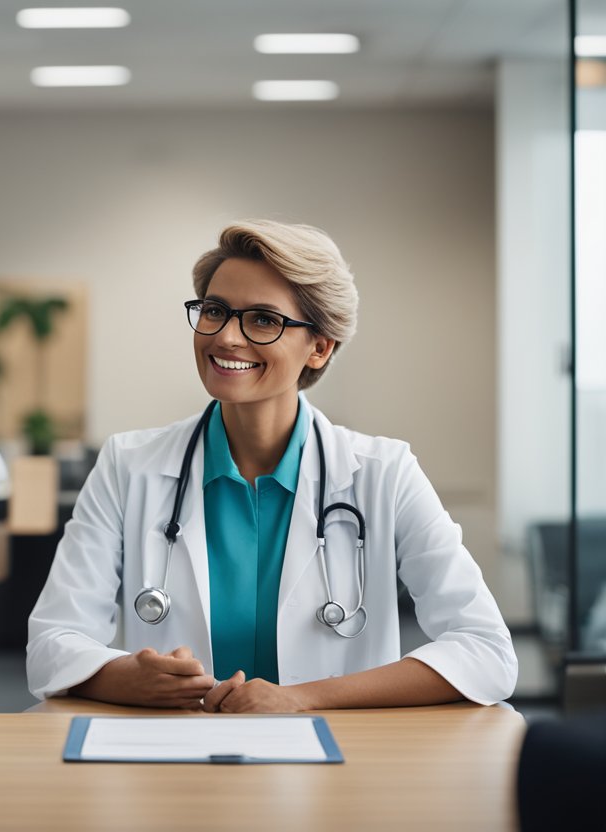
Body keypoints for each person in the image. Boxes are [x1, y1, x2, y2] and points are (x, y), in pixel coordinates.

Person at [27, 220, 517, 712]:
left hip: (339, 772)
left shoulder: (384, 473)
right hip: (172, 767)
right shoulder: (127, 465)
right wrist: (124, 678)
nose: (227, 338)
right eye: (215, 311)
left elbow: (486, 651)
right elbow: (52, 642)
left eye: (263, 319)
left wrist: (300, 699)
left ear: (320, 346)